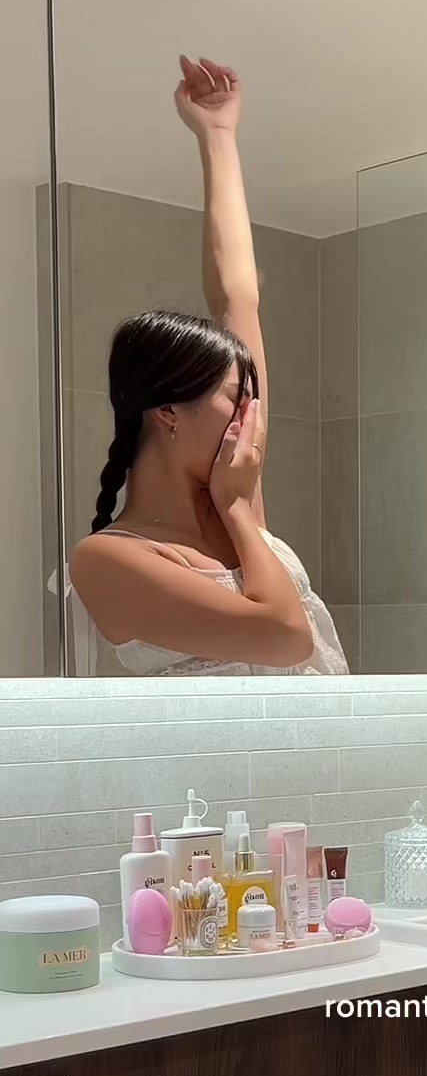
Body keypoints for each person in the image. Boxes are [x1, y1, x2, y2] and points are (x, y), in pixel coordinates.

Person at [69, 56, 348, 677]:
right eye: (234, 397)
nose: (253, 414)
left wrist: (218, 136)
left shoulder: (233, 499)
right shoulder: (107, 559)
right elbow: (284, 638)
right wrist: (241, 511)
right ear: (168, 411)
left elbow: (236, 299)